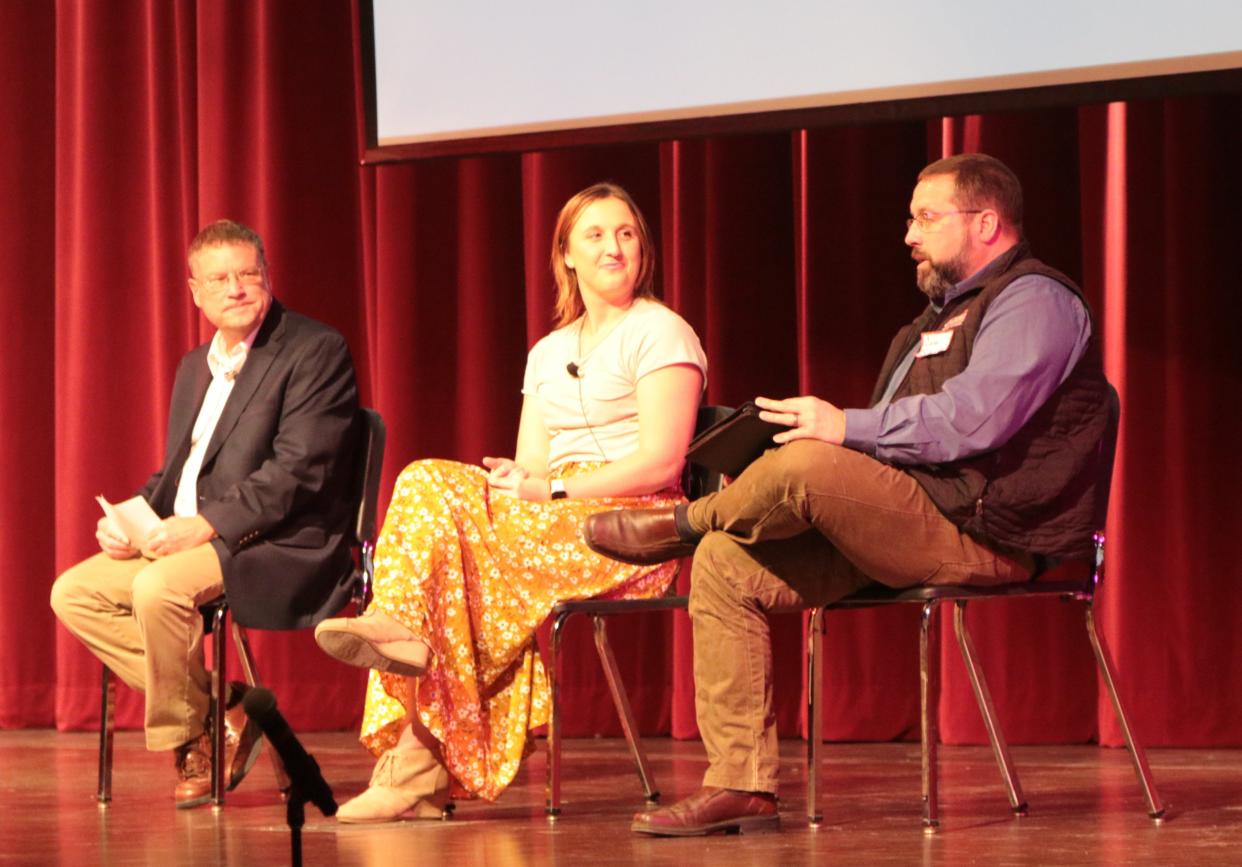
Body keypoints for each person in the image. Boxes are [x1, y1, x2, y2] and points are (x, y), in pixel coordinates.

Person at [584, 153, 1111, 836]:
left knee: (805, 461)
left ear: (986, 223)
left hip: (989, 531)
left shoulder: (1036, 301)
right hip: (913, 521)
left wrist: (839, 428)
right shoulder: (924, 325)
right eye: (909, 218)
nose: (909, 235)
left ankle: (683, 520)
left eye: (926, 217)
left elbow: (973, 419)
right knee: (724, 562)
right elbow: (882, 453)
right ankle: (740, 783)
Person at [313, 182, 707, 822]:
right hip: (550, 517)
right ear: (567, 257)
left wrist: (550, 489)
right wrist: (511, 483)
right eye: (596, 235)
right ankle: (404, 660)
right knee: (426, 480)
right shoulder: (548, 353)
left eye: (626, 234)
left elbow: (662, 461)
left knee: (459, 577)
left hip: (633, 526)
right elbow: (531, 464)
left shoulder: (662, 332)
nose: (614, 248)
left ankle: (412, 766)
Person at [51, 220, 360, 808]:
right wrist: (129, 519)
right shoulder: (197, 364)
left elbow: (300, 470)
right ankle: (231, 709)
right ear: (195, 292)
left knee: (156, 589)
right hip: (196, 536)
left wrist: (210, 523)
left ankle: (193, 740)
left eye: (248, 274)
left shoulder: (313, 349)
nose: (236, 289)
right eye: (219, 279)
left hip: (275, 539)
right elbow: (179, 471)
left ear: (267, 277)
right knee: (73, 592)